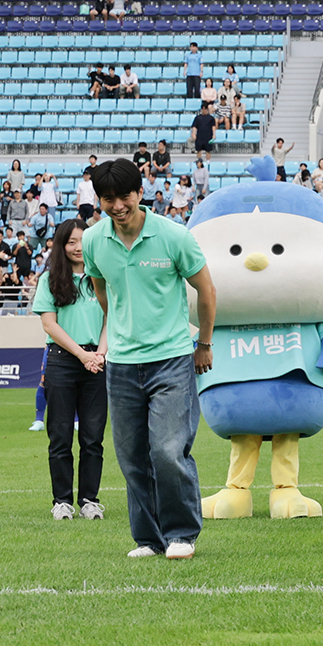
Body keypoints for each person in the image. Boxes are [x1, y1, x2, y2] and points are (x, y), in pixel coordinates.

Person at [84, 158, 216, 560]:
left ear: (140, 193)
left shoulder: (174, 236)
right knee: (132, 458)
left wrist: (204, 343)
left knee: (167, 451)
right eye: (108, 199)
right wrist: (120, 331)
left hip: (172, 358)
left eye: (124, 196)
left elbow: (207, 291)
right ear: (99, 200)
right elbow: (102, 290)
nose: (117, 206)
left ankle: (182, 534)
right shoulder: (93, 241)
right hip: (122, 364)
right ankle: (148, 540)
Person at [32, 218, 110, 520]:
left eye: (83, 241)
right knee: (60, 435)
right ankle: (62, 501)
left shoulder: (101, 277)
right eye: (71, 242)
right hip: (63, 360)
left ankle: (90, 500)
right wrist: (82, 355)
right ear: (61, 245)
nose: (78, 247)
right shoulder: (50, 279)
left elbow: (112, 318)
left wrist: (99, 353)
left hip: (97, 361)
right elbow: (49, 324)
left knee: (93, 437)